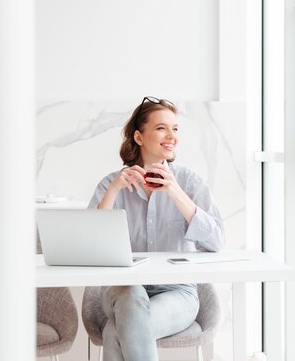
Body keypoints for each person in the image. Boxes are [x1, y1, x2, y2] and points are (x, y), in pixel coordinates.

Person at [87, 96, 225, 361]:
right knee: (130, 296)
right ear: (139, 137)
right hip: (121, 290)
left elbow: (217, 240)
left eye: (175, 128)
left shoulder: (189, 182)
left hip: (177, 293)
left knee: (116, 331)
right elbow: (89, 245)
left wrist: (176, 193)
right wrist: (115, 190)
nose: (171, 136)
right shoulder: (111, 184)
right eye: (161, 128)